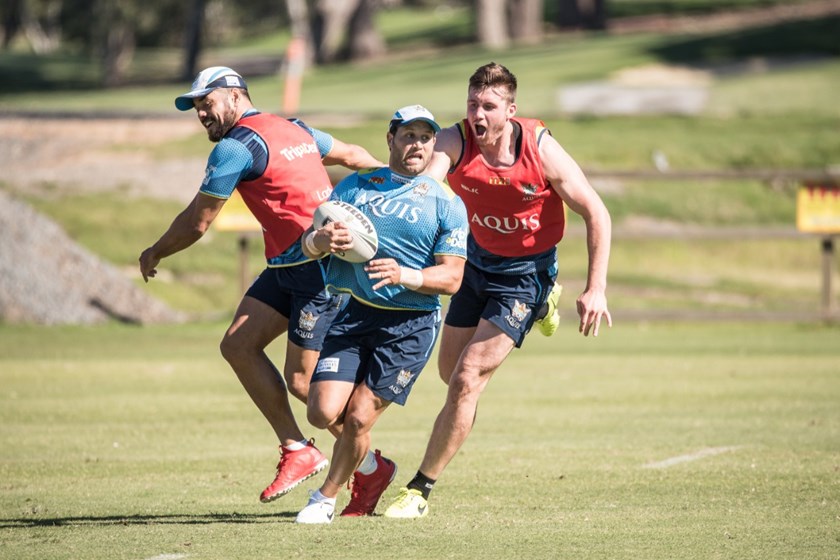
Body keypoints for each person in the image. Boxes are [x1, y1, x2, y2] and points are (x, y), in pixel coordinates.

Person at [138, 66, 385, 505]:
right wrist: (401, 182)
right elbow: (353, 155)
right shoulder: (294, 128)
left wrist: (155, 251)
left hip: (317, 271)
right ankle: (298, 449)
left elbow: (198, 222)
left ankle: (371, 466)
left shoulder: (234, 148)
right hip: (287, 266)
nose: (201, 113)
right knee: (237, 344)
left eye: (207, 102)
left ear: (235, 96)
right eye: (196, 107)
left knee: (304, 385)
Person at [384, 62, 613, 519]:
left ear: (511, 110)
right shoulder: (455, 140)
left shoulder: (540, 149)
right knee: (450, 375)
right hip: (473, 262)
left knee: (467, 379)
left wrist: (596, 288)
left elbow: (596, 212)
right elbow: (429, 181)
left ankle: (419, 489)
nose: (478, 114)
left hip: (525, 275)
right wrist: (415, 196)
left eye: (489, 106)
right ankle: (541, 311)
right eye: (473, 104)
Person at [293, 105, 469, 524]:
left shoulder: (447, 203)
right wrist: (320, 240)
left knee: (357, 418)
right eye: (408, 136)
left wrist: (404, 274)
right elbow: (307, 243)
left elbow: (452, 278)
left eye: (425, 138)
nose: (417, 145)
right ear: (390, 139)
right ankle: (375, 467)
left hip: (409, 326)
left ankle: (324, 498)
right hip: (353, 314)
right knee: (321, 411)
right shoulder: (357, 185)